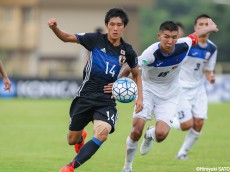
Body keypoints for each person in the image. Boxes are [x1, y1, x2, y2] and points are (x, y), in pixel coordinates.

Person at [48, 8, 143, 172]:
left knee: (102, 134)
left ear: (124, 27)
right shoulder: (95, 40)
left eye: (119, 25)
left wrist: (139, 97)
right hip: (85, 96)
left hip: (106, 100)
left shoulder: (128, 51)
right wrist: (55, 28)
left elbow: (136, 75)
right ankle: (80, 138)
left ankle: (70, 167)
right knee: (71, 140)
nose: (115, 28)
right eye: (112, 24)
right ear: (107, 25)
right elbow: (67, 38)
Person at [121, 19, 218, 172]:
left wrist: (210, 28)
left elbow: (196, 34)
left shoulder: (183, 45)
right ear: (159, 36)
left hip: (169, 96)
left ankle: (150, 134)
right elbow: (130, 67)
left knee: (160, 135)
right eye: (166, 36)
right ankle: (127, 167)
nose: (170, 40)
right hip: (148, 91)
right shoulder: (150, 53)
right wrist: (118, 83)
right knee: (136, 130)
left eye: (174, 37)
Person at [172, 14, 218, 160]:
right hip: (181, 88)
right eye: (201, 24)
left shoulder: (212, 48)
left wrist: (210, 76)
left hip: (198, 89)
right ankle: (167, 119)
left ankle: (182, 153)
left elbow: (208, 69)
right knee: (186, 125)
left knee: (199, 123)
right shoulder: (187, 45)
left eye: (207, 24)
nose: (204, 27)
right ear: (195, 28)